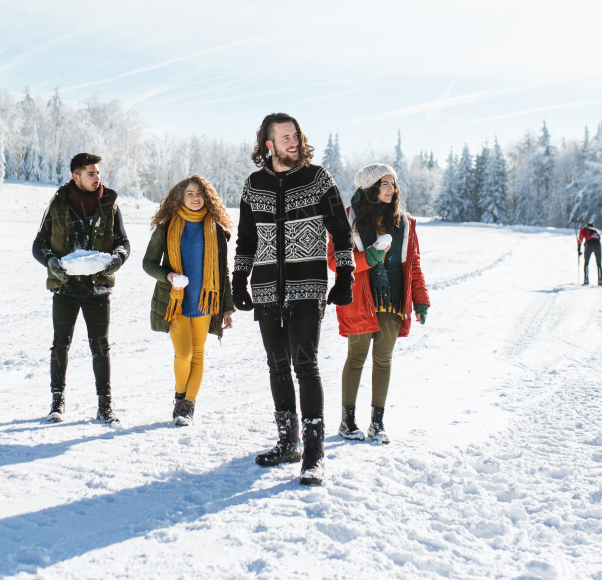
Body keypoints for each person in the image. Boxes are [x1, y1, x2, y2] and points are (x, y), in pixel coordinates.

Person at [233, 112, 354, 486]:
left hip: (308, 285)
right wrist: (238, 278)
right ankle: (289, 442)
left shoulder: (318, 179)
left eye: (296, 136)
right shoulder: (254, 185)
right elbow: (246, 237)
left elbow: (340, 228)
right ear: (268, 144)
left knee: (305, 364)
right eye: (285, 137)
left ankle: (315, 456)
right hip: (267, 287)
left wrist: (345, 273)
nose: (293, 142)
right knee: (276, 365)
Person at [327, 163, 430, 445]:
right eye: (385, 183)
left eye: (393, 183)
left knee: (383, 360)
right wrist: (367, 259)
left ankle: (377, 423)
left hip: (393, 301)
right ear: (370, 188)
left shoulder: (404, 222)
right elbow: (335, 260)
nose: (391, 189)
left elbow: (413, 263)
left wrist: (420, 298)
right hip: (360, 299)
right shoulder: (347, 219)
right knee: (357, 356)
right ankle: (347, 422)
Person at [31, 152, 130, 426]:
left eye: (98, 172)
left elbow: (123, 243)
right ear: (75, 176)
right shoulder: (58, 203)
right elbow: (39, 245)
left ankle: (105, 405)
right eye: (91, 173)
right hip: (65, 288)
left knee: (101, 347)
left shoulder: (110, 203)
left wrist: (118, 259)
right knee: (60, 345)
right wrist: (50, 261)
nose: (97, 177)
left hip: (98, 290)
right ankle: (57, 401)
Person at [142, 175, 236, 426]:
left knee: (198, 354)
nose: (196, 198)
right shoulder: (167, 226)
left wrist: (227, 308)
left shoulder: (215, 229)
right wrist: (169, 275)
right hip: (177, 301)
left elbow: (222, 271)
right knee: (183, 354)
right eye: (190, 194)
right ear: (180, 198)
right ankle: (180, 396)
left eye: (200, 193)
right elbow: (148, 263)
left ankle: (188, 406)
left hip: (205, 302)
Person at [578, 220, 602, 286]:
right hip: (597, 245)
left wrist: (578, 249)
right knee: (599, 264)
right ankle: (600, 280)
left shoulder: (584, 229)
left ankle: (586, 280)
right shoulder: (597, 230)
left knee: (586, 263)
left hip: (589, 244)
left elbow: (580, 238)